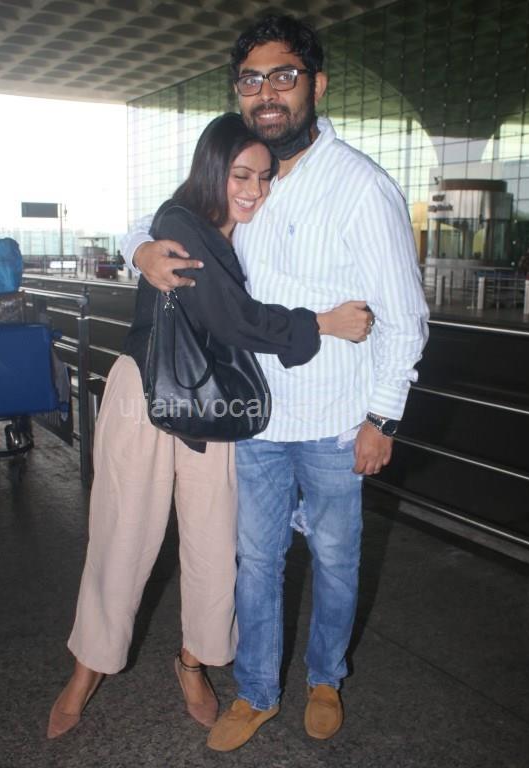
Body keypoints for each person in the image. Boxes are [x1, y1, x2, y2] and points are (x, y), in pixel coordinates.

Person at [122, 15, 429, 752]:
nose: (267, 92)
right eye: (251, 79)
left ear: (316, 85)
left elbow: (404, 316)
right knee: (256, 563)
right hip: (254, 420)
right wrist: (140, 249)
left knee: (335, 561)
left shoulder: (361, 186)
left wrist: (382, 418)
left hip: (335, 421)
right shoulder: (243, 174)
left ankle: (325, 678)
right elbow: (161, 214)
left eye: (283, 76)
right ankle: (257, 691)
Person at [47, 113, 372, 740]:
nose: (254, 189)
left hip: (217, 407)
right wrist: (322, 323)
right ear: (213, 169)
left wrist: (134, 244)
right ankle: (87, 668)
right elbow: (233, 317)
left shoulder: (249, 230)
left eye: (265, 177)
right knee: (122, 537)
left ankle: (193, 661)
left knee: (215, 547)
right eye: (241, 175)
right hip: (148, 394)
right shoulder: (179, 222)